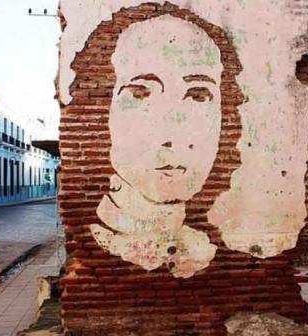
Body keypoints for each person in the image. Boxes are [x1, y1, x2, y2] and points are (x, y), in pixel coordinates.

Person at [69, 3, 244, 278]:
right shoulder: (98, 248)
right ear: (103, 113)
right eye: (140, 93)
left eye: (198, 95)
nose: (172, 134)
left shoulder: (218, 251)